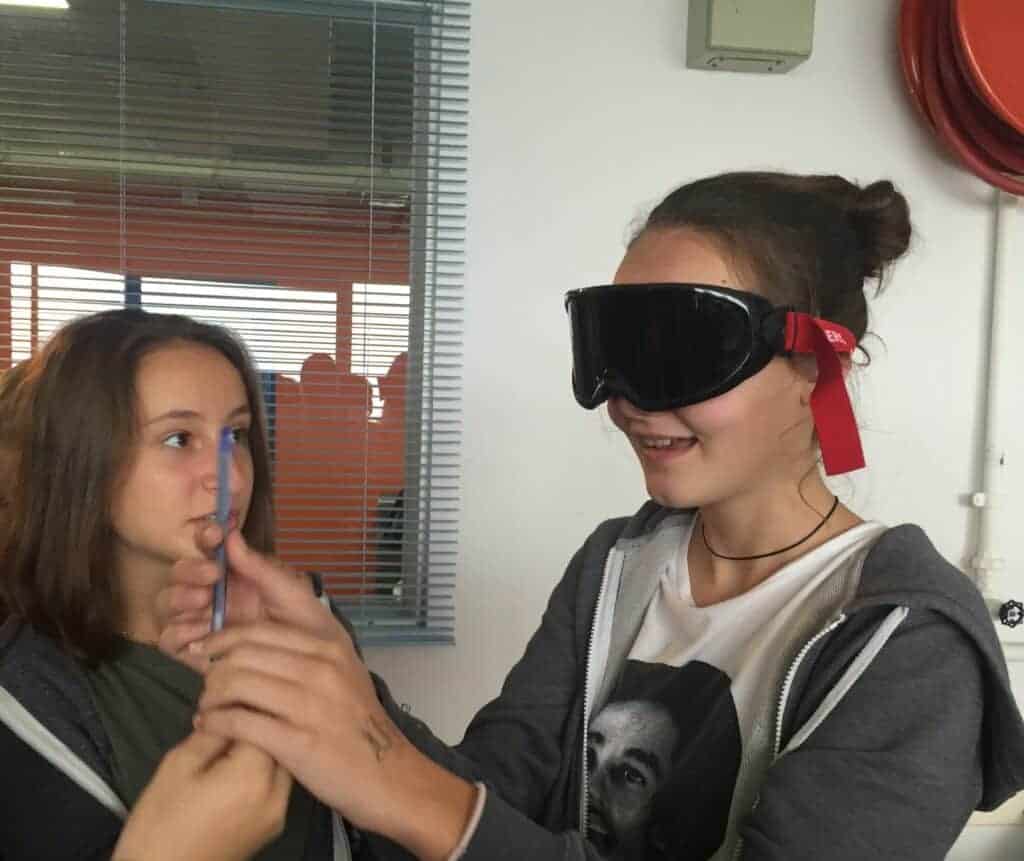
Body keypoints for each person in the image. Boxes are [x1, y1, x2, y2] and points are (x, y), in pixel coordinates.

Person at [161, 172, 1024, 860]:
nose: (631, 402)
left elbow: (442, 813)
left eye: (682, 352)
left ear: (819, 365)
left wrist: (395, 779)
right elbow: (491, 792)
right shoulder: (620, 563)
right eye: (613, 351)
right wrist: (328, 663)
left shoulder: (908, 645)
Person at [0, 308, 342, 860]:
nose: (230, 476)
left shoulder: (307, 621)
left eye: (236, 435)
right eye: (180, 439)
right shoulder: (22, 703)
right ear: (83, 462)